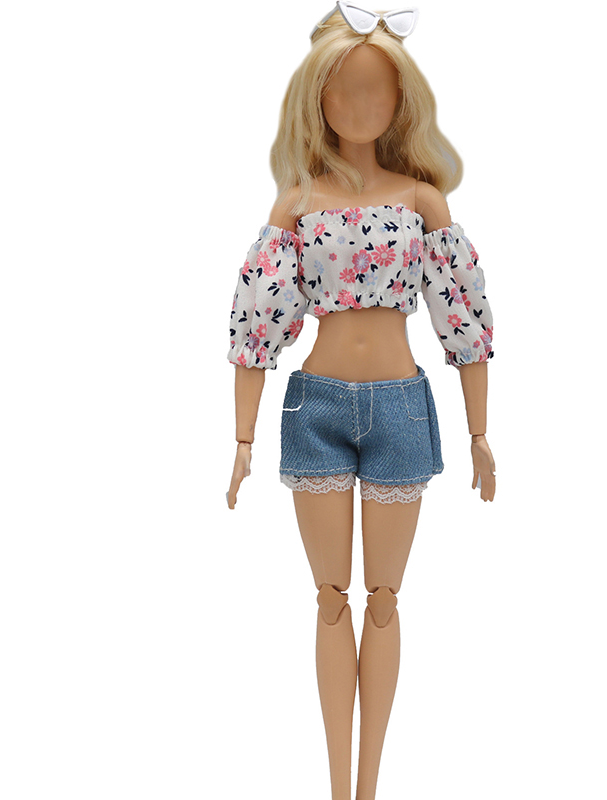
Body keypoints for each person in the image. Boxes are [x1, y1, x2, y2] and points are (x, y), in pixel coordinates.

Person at [226, 3, 496, 798]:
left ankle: (369, 785)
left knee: (383, 601)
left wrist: (480, 432)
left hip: (402, 406)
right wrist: (241, 440)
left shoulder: (421, 200)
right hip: (315, 406)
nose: (358, 105)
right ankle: (337, 788)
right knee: (329, 599)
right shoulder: (296, 202)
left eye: (375, 89)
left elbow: (464, 321)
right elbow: (257, 324)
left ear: (403, 98)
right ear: (315, 100)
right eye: (341, 91)